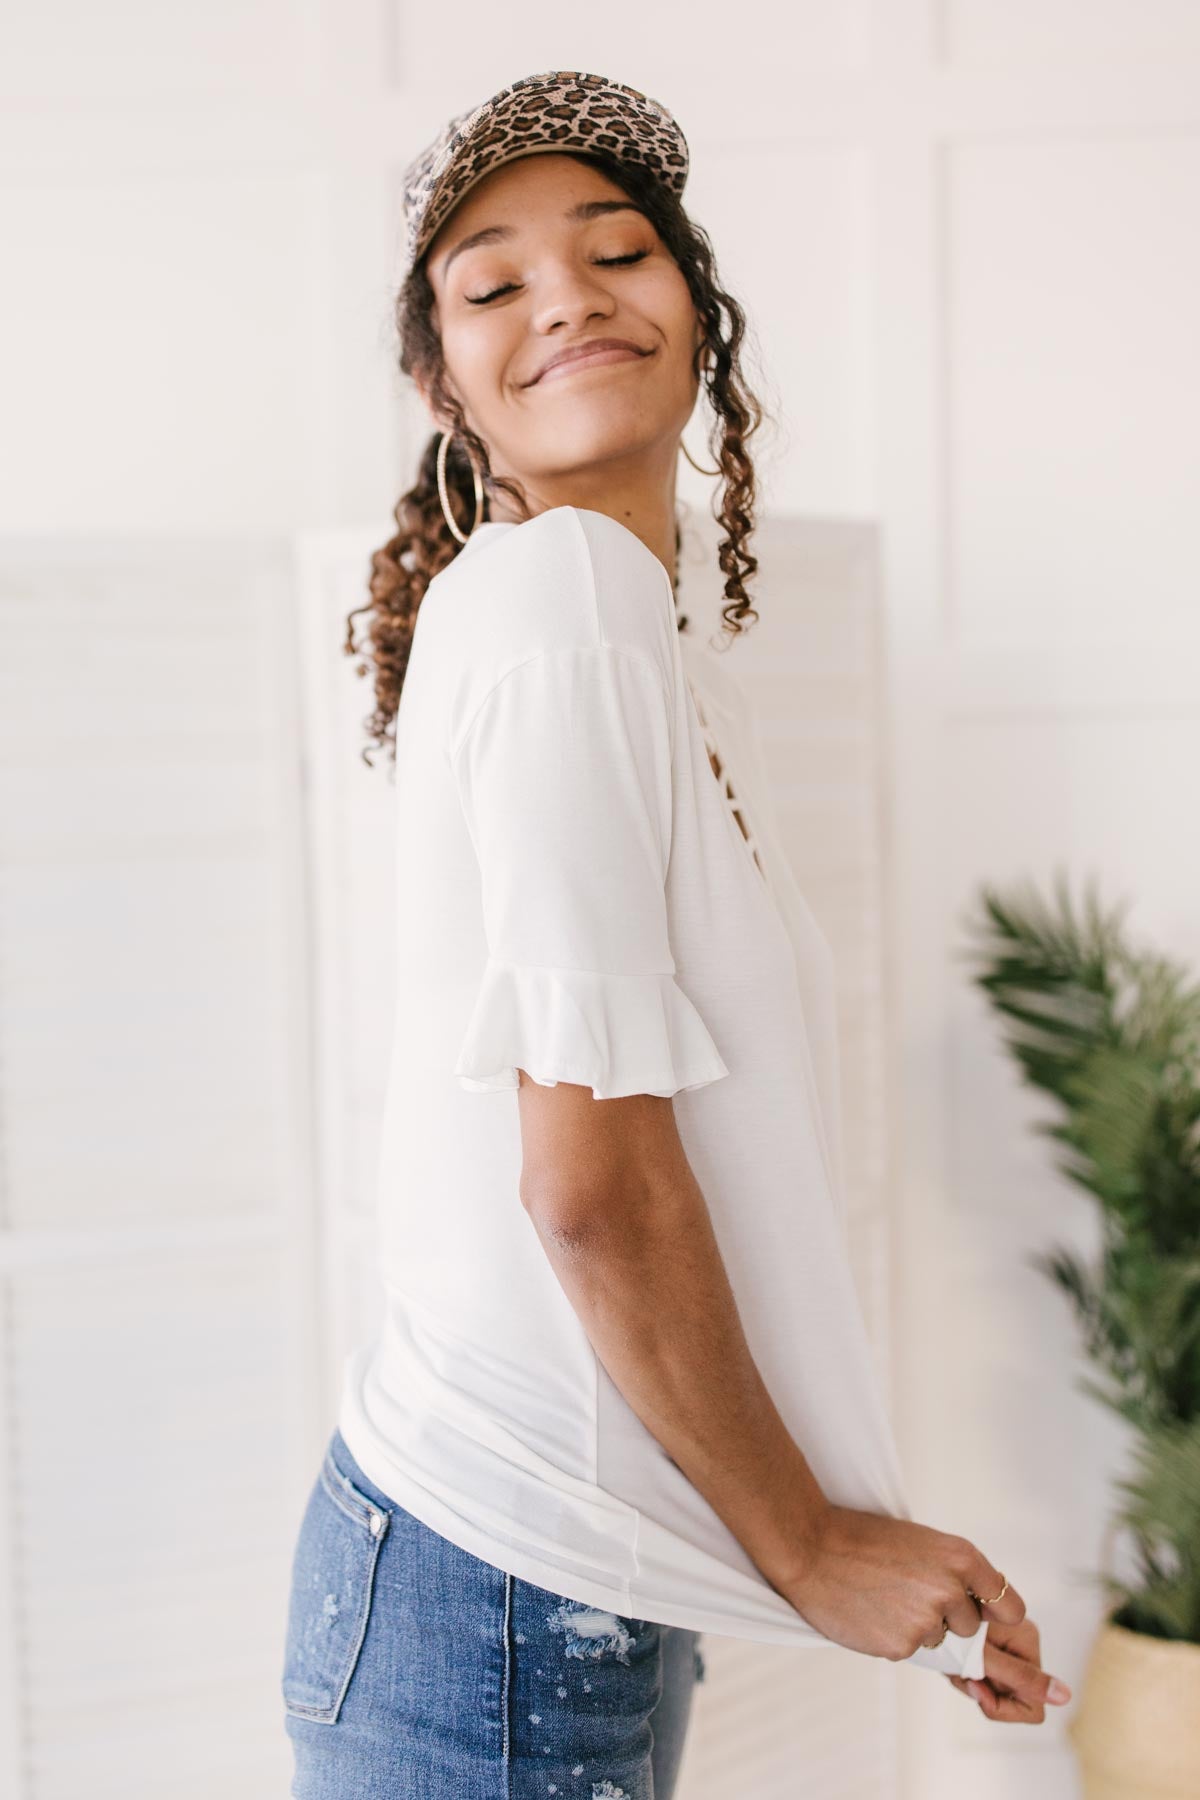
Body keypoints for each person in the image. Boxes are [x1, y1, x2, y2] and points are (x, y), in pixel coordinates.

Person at [280, 69, 1071, 1797]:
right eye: (494, 283)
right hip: (507, 1592)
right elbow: (590, 1184)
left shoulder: (638, 631)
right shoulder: (561, 601)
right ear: (443, 385)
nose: (566, 296)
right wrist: (812, 1543)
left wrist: (831, 1533)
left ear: (697, 314)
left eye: (617, 251)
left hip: (546, 1573)